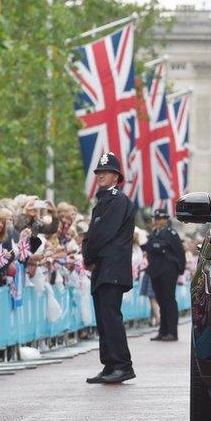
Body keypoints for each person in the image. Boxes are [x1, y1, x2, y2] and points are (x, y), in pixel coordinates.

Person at [82, 152, 137, 384]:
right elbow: (93, 233)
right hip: (103, 268)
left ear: (116, 176)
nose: (101, 176)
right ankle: (109, 364)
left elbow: (102, 233)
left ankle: (122, 364)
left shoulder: (117, 201)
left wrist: (88, 254)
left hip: (111, 267)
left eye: (106, 172)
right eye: (99, 172)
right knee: (103, 319)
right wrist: (89, 255)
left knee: (111, 317)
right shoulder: (104, 201)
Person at [142, 208, 186, 341]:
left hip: (168, 271)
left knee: (169, 301)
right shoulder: (154, 233)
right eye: (155, 218)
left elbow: (179, 252)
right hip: (155, 271)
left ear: (165, 220)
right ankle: (163, 330)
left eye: (159, 218)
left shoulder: (171, 233)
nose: (156, 221)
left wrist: (180, 270)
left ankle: (172, 332)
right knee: (161, 301)